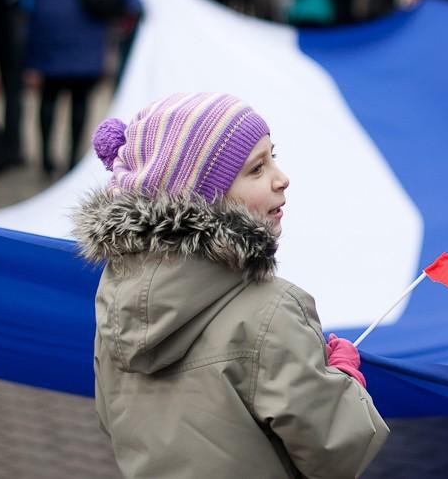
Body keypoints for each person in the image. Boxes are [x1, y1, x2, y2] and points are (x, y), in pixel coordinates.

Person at [73, 92, 389, 479]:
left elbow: (111, 419)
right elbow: (335, 452)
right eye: (256, 169)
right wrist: (343, 381)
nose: (281, 178)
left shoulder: (115, 296)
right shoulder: (273, 311)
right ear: (204, 198)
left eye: (273, 157)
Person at [13, 0, 141, 175]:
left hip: (48, 18)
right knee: (80, 96)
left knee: (48, 93)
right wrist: (136, 4)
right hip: (87, 20)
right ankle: (73, 160)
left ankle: (46, 160)